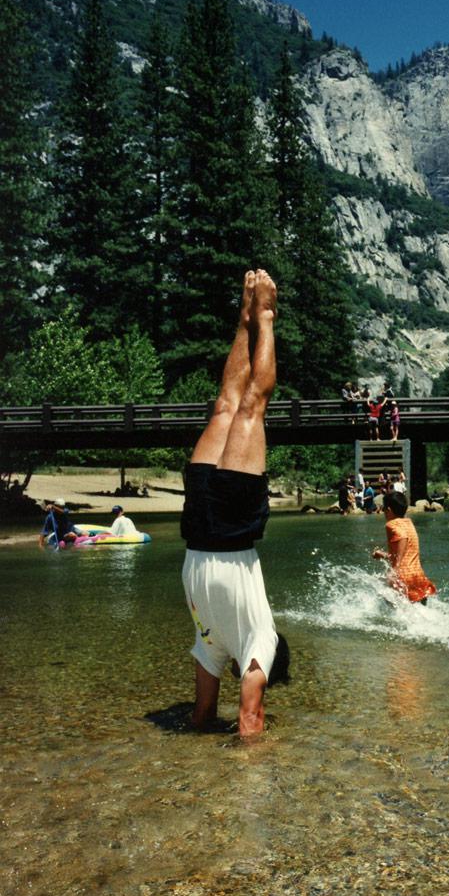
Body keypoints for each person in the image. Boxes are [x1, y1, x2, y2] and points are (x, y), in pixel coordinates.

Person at [180, 270, 289, 738]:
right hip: (197, 541)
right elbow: (207, 717)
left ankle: (257, 316)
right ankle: (252, 316)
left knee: (244, 405)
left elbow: (247, 721)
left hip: (230, 538)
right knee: (230, 407)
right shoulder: (213, 647)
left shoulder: (261, 639)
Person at [372, 491, 437, 604]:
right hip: (418, 575)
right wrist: (382, 555)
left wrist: (395, 569)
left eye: (383, 509)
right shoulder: (409, 523)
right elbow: (404, 554)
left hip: (403, 577)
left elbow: (402, 538)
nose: (382, 512)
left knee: (394, 612)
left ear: (389, 510)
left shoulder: (391, 524)